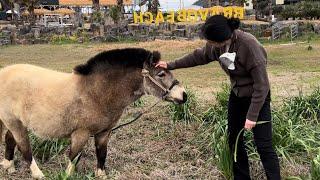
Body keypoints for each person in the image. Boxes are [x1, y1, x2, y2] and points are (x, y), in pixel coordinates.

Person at [156, 15, 281, 180]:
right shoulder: (217, 46)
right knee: (234, 141)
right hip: (237, 95)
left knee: (264, 145)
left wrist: (252, 116)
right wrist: (171, 64)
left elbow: (262, 85)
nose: (210, 45)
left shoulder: (248, 46)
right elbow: (198, 56)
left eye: (211, 42)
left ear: (222, 38)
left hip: (258, 98)